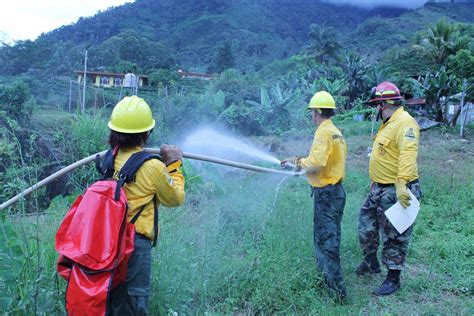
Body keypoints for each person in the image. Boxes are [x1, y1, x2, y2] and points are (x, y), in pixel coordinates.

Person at [107, 96, 185, 314]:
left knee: (110, 299)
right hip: (134, 245)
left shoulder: (107, 159)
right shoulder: (151, 166)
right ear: (145, 133)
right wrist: (173, 164)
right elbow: (175, 198)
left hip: (106, 240)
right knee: (134, 303)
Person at [357, 81, 422, 296]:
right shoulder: (389, 122)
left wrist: (402, 183)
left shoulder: (405, 123)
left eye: (376, 105)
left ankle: (393, 278)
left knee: (395, 235)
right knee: (366, 225)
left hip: (396, 189)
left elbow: (407, 154)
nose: (376, 110)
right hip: (379, 188)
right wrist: (375, 180)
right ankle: (370, 263)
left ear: (382, 104)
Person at [281, 91, 347, 301]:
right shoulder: (335, 131)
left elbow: (317, 162)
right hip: (335, 192)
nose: (312, 116)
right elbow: (322, 161)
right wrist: (298, 160)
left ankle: (336, 294)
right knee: (329, 238)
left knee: (326, 242)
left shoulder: (323, 132)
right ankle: (325, 283)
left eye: (312, 112)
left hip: (327, 195)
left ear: (317, 112)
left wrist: (298, 163)